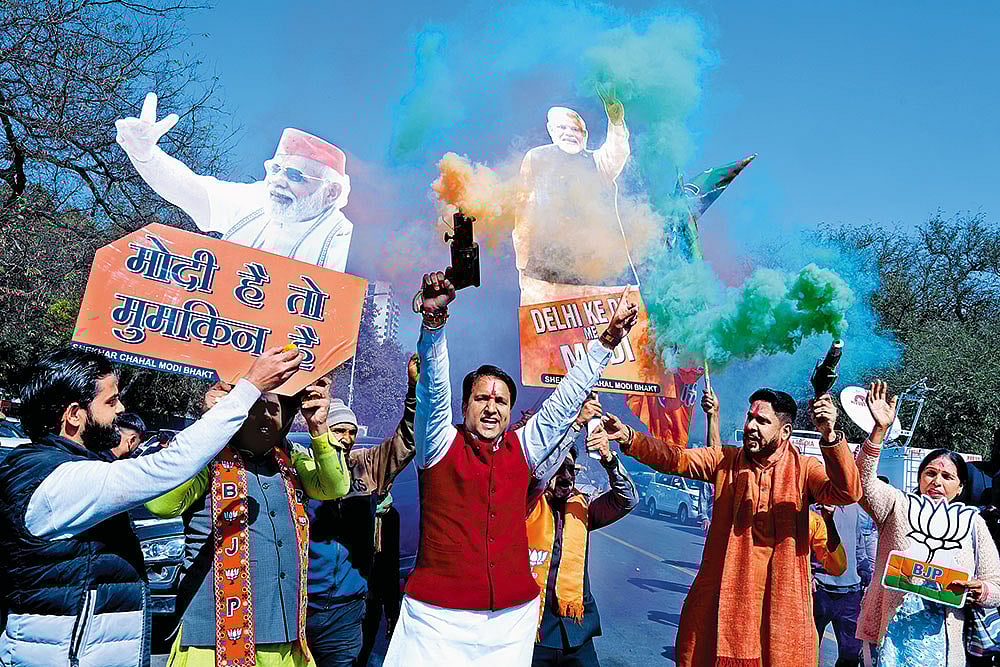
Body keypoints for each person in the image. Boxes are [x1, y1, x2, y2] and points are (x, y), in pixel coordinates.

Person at [381, 271, 639, 666]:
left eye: (500, 401)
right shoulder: (439, 445)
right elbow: (433, 389)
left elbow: (565, 400)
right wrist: (433, 325)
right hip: (436, 622)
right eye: (481, 398)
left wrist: (608, 340)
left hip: (508, 625)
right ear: (464, 406)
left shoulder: (521, 448)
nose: (491, 407)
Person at [0, 345, 301, 667]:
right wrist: (249, 387)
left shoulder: (69, 466)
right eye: (111, 401)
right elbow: (168, 466)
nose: (120, 410)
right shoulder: (57, 479)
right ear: (74, 414)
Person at [604, 386, 862, 667]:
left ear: (785, 431)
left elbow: (847, 492)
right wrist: (630, 437)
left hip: (780, 609)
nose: (751, 426)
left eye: (762, 421)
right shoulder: (725, 461)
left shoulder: (804, 469)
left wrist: (830, 435)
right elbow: (676, 459)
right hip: (722, 601)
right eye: (750, 417)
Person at [145, 376, 352, 667]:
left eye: (275, 408)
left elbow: (334, 487)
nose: (265, 416)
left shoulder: (291, 458)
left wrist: (318, 427)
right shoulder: (208, 457)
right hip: (212, 641)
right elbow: (160, 504)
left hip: (284, 640)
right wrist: (208, 425)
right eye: (255, 405)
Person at [116, 92, 353, 271]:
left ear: (330, 192)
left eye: (294, 175)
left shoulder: (341, 235)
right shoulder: (257, 201)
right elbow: (189, 190)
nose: (278, 181)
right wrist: (146, 156)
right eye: (275, 169)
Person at [855, 380, 1000, 667]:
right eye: (930, 473)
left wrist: (979, 590)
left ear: (960, 487)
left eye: (947, 477)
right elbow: (862, 483)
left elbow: (996, 585)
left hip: (942, 643)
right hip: (890, 635)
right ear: (920, 478)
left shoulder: (972, 523)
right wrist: (879, 431)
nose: (937, 481)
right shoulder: (898, 506)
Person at [306, 355, 418, 667]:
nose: (346, 439)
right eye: (339, 430)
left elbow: (406, 440)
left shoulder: (366, 465)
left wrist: (414, 390)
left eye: (351, 431)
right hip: (302, 602)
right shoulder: (303, 466)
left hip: (347, 607)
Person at [526, 414, 638, 667]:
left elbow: (628, 500)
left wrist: (609, 459)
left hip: (576, 635)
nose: (567, 476)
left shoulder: (582, 509)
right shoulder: (525, 505)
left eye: (571, 470)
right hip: (532, 633)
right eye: (559, 468)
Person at [513, 98, 631, 306]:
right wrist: (522, 264)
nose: (569, 133)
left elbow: (616, 153)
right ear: (551, 130)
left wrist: (616, 121)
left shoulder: (597, 162)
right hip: (546, 272)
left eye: (576, 129)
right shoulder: (537, 157)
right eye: (562, 127)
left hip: (594, 270)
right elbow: (524, 209)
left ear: (584, 135)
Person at [812, 502, 875, 667]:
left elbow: (859, 544)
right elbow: (802, 546)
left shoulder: (854, 507)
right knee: (808, 651)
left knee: (851, 653)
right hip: (819, 591)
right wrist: (809, 575)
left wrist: (865, 572)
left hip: (851, 594)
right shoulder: (813, 506)